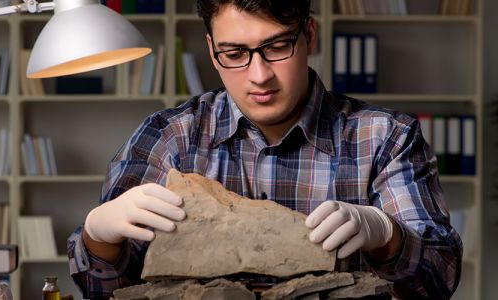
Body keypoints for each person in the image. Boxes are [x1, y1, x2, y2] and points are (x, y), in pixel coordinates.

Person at [67, 0, 462, 299]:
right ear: (211, 50)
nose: (260, 76)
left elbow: (438, 281)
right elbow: (104, 292)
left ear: (309, 34)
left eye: (276, 47)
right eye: (235, 54)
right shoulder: (169, 137)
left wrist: (387, 235)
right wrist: (99, 237)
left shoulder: (385, 137)